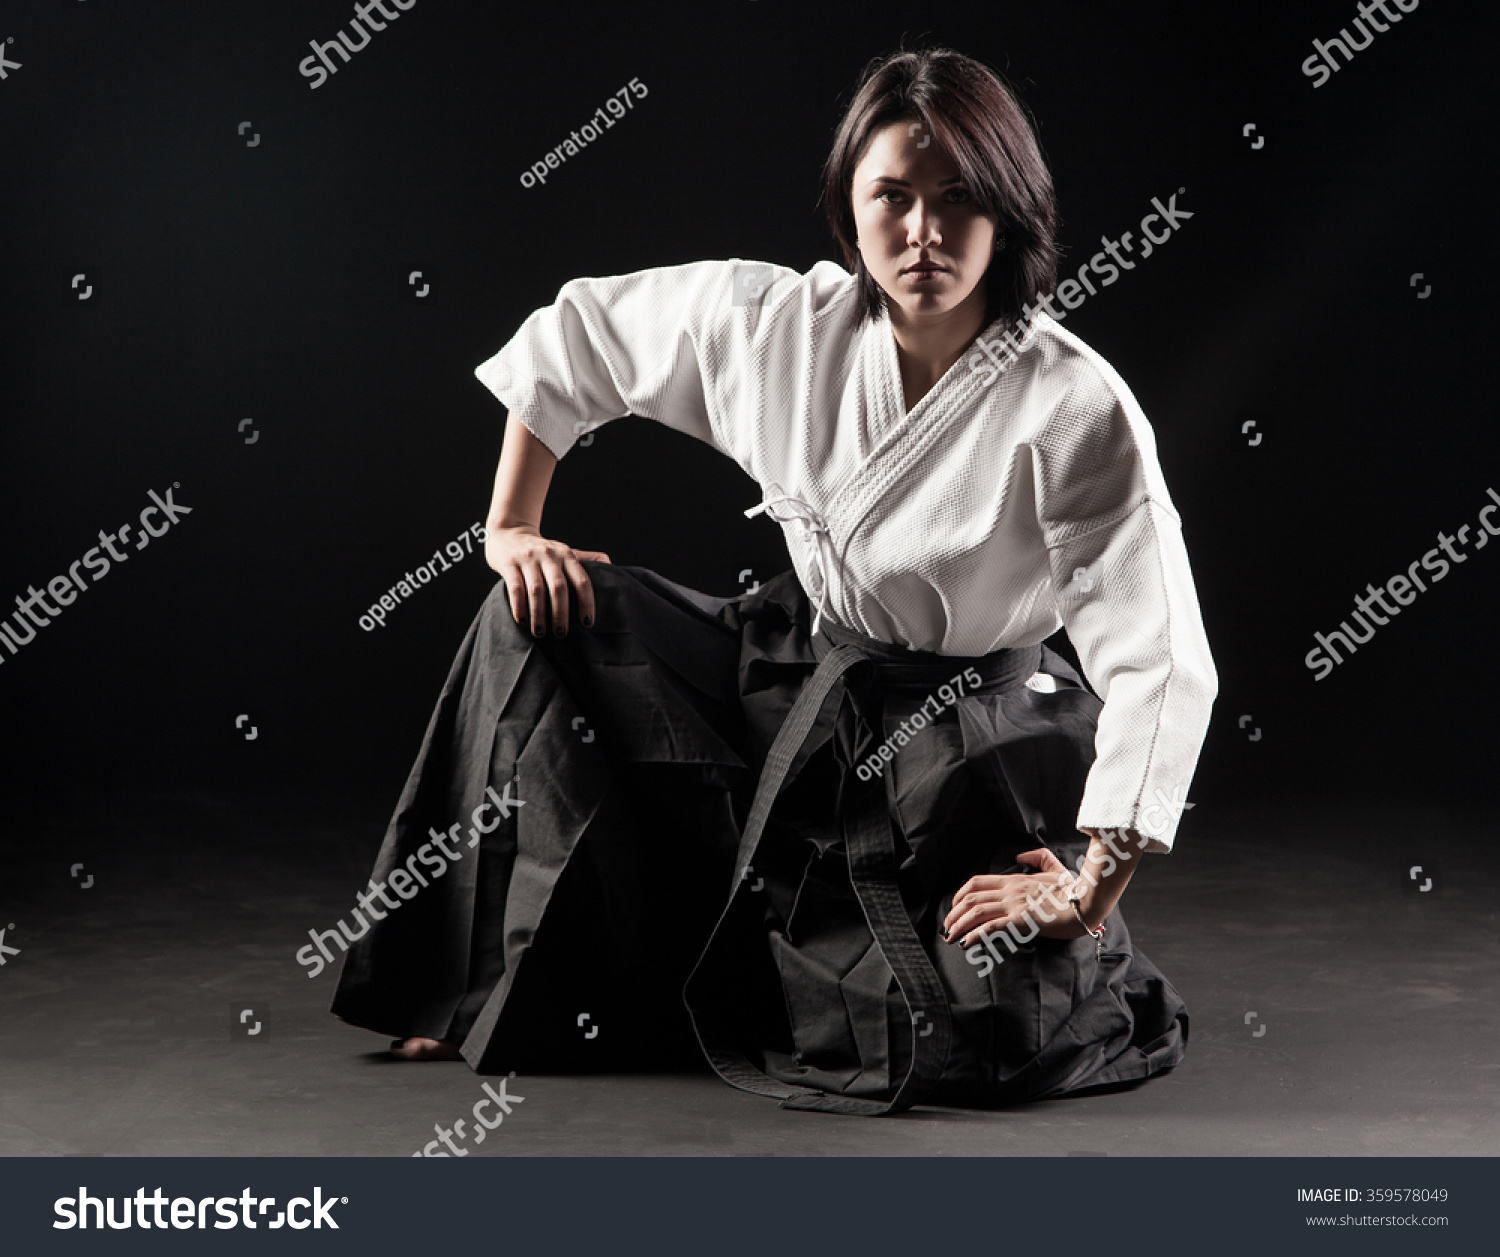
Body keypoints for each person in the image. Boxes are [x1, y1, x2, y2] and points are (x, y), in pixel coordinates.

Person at [330, 46, 1217, 1114]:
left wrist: (1088, 883)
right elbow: (584, 337)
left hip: (962, 741)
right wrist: (510, 527)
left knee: (983, 1024)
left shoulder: (1074, 404)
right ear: (851, 205)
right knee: (542, 617)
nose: (924, 233)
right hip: (794, 676)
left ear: (1010, 212)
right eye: (892, 196)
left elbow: (1161, 656)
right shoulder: (786, 330)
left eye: (960, 200)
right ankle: (456, 983)